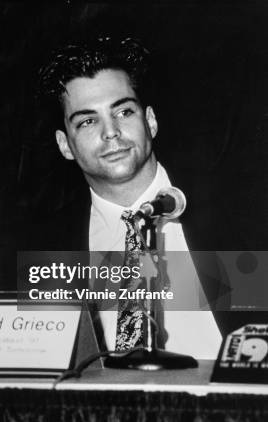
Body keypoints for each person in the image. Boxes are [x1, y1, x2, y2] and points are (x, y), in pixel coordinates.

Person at [32, 37, 227, 359]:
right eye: (88, 121)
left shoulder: (241, 212)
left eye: (123, 111)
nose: (111, 132)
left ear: (149, 120)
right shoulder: (45, 247)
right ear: (65, 145)